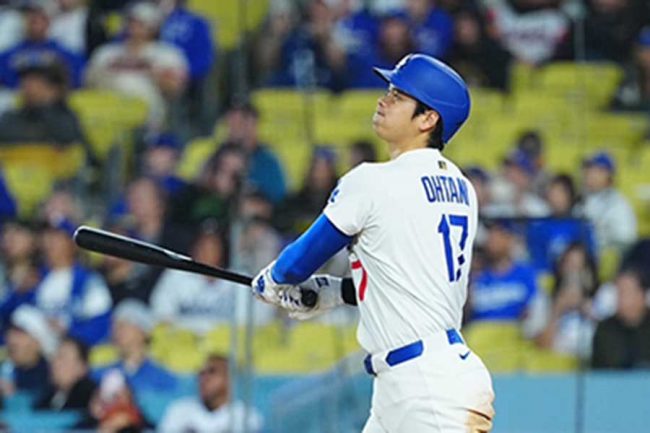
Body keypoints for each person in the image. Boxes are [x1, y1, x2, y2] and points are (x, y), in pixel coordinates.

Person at [251, 54, 495, 432]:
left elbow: (294, 265)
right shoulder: (462, 186)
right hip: (410, 385)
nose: (384, 100)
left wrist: (269, 281)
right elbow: (407, 277)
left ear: (428, 119)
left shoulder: (371, 181)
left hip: (427, 389)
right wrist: (334, 292)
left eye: (399, 96)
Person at [158, 354, 263, 433]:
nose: (204, 378)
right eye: (201, 373)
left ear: (229, 378)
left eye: (212, 372)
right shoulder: (179, 410)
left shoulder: (246, 416)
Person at [94, 300, 177, 396]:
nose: (116, 331)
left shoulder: (162, 376)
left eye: (123, 325)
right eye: (115, 326)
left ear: (143, 331)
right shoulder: (101, 374)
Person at [591, 269, 650, 369]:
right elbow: (598, 371)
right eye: (618, 292)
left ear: (642, 295)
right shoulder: (604, 329)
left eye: (625, 292)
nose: (619, 298)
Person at [581, 151, 637, 254]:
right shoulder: (580, 198)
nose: (589, 174)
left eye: (595, 170)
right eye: (588, 169)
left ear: (607, 174)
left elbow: (625, 241)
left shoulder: (619, 205)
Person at [1, 305, 57, 397]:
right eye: (10, 334)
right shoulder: (4, 369)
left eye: (20, 335)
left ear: (38, 342)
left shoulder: (52, 376)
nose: (12, 340)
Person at [34, 335, 97, 411]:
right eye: (55, 358)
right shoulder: (47, 396)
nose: (55, 364)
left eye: (62, 358)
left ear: (82, 367)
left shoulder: (91, 399)